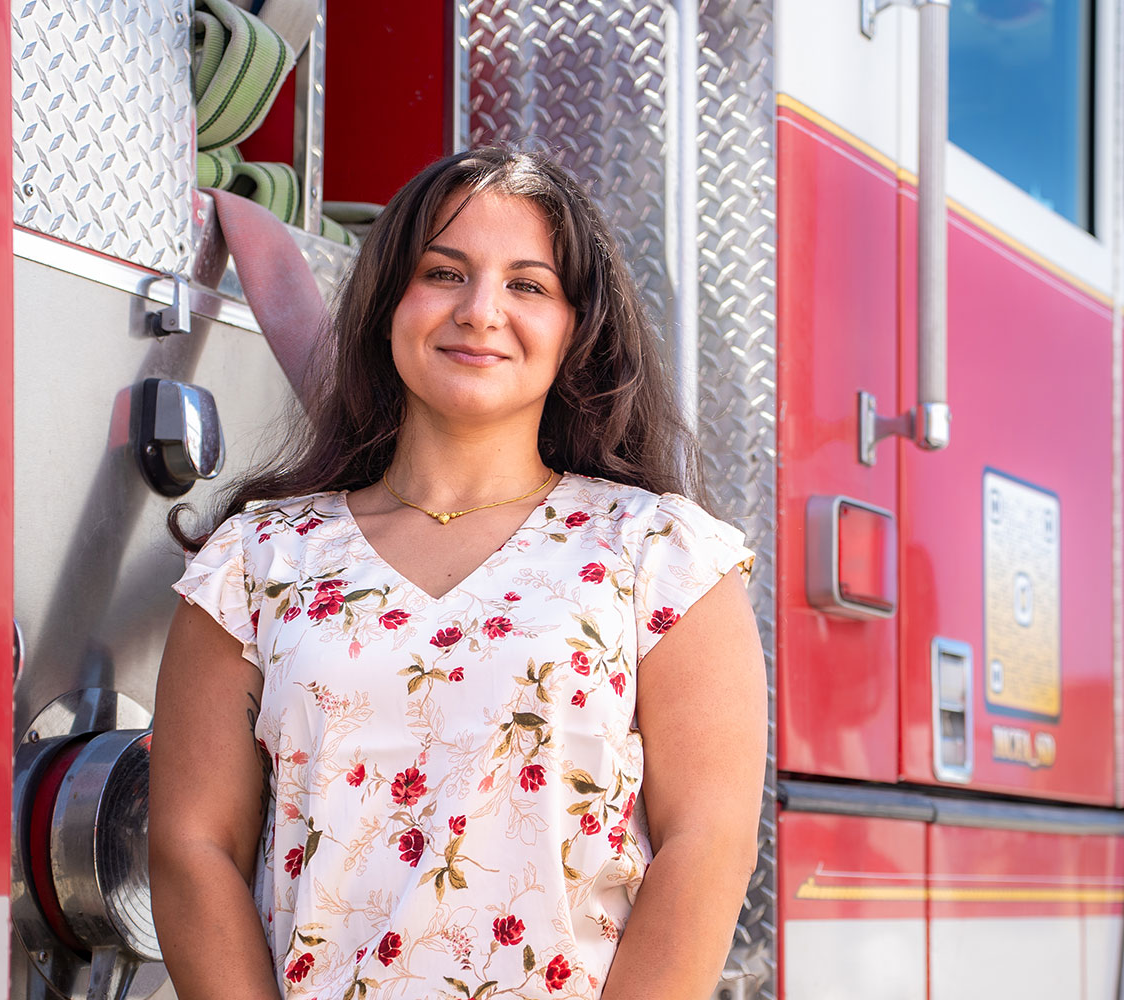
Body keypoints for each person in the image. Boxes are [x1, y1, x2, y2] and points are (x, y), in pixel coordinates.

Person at [148, 146, 767, 1000]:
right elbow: (193, 846)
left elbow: (710, 844)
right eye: (444, 272)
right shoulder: (255, 562)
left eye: (528, 285)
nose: (481, 311)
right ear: (388, 302)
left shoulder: (659, 555)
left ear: (576, 328)